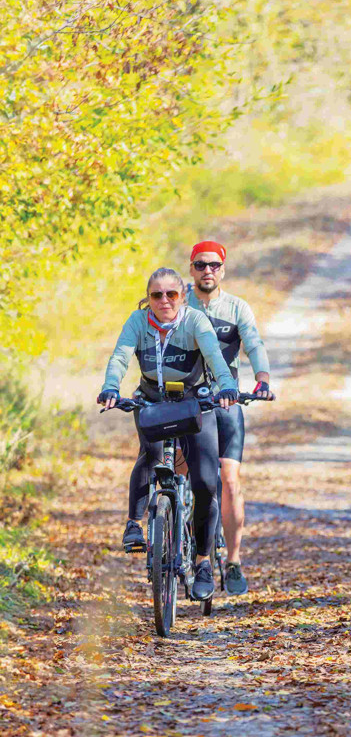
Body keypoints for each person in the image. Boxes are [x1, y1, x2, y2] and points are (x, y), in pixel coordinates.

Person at [97, 267, 237, 602]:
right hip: (152, 403)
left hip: (193, 405)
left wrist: (226, 385)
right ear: (148, 299)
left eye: (171, 294)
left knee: (205, 482)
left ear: (183, 296)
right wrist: (111, 386)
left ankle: (203, 562)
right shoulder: (138, 321)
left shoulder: (195, 322)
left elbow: (215, 358)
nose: (164, 301)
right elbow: (119, 356)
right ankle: (135, 524)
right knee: (151, 455)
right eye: (156, 295)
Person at [186, 240, 273, 596]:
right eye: (201, 265)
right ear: (191, 268)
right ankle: (183, 537)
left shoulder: (237, 308)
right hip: (185, 403)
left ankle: (234, 561)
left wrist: (262, 376)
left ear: (223, 269)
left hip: (226, 402)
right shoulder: (178, 303)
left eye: (215, 265)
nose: (208, 271)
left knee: (230, 479)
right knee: (183, 475)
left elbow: (253, 343)